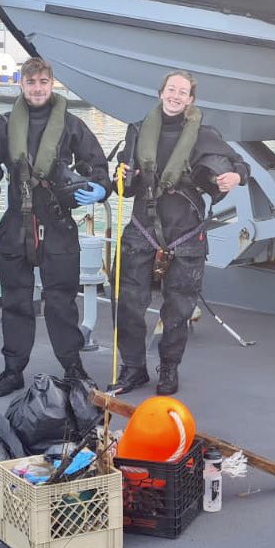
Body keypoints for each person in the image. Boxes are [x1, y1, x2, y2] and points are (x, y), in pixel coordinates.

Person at [0, 57, 111, 397]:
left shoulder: (72, 125)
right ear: (21, 84)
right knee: (15, 301)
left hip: (57, 224)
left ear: (52, 85)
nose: (37, 89)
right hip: (15, 224)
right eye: (31, 82)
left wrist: (101, 189)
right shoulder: (3, 126)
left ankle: (73, 367)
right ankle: (12, 370)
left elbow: (97, 166)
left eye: (44, 83)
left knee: (61, 301)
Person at [108, 70, 249, 396]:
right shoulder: (137, 131)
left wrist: (234, 178)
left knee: (178, 309)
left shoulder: (205, 135)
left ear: (190, 100)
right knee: (126, 303)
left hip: (185, 234)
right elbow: (125, 191)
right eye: (171, 89)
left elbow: (241, 165)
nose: (175, 96)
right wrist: (121, 175)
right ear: (161, 93)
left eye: (182, 92)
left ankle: (168, 369)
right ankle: (133, 369)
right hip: (142, 229)